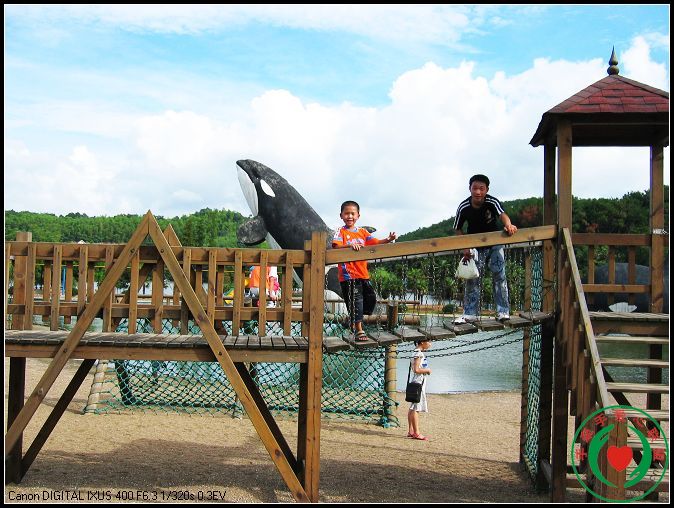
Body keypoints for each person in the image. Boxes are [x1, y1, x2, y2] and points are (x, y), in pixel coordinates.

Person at [452, 174, 518, 323]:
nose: (478, 192)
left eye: (481, 188)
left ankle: (503, 312)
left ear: (487, 190)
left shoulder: (491, 201)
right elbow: (457, 228)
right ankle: (470, 314)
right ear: (470, 189)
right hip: (474, 245)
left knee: (499, 276)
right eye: (475, 188)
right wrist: (465, 246)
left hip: (494, 242)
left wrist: (508, 225)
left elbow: (502, 215)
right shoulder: (464, 206)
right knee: (473, 278)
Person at [332, 200, 397, 341]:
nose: (350, 216)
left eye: (352, 213)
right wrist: (350, 246)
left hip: (362, 274)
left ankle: (352, 320)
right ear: (341, 215)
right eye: (346, 213)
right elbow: (336, 246)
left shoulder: (362, 232)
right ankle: (359, 329)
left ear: (358, 216)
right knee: (357, 301)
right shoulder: (340, 231)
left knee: (371, 298)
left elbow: (375, 242)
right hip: (349, 275)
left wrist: (388, 239)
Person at [407, 337, 432, 441]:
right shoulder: (418, 354)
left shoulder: (415, 352)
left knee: (412, 407)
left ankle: (411, 431)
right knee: (416, 408)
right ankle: (416, 433)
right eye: (429, 341)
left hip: (416, 381)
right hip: (418, 382)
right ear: (422, 342)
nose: (430, 344)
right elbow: (416, 369)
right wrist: (427, 370)